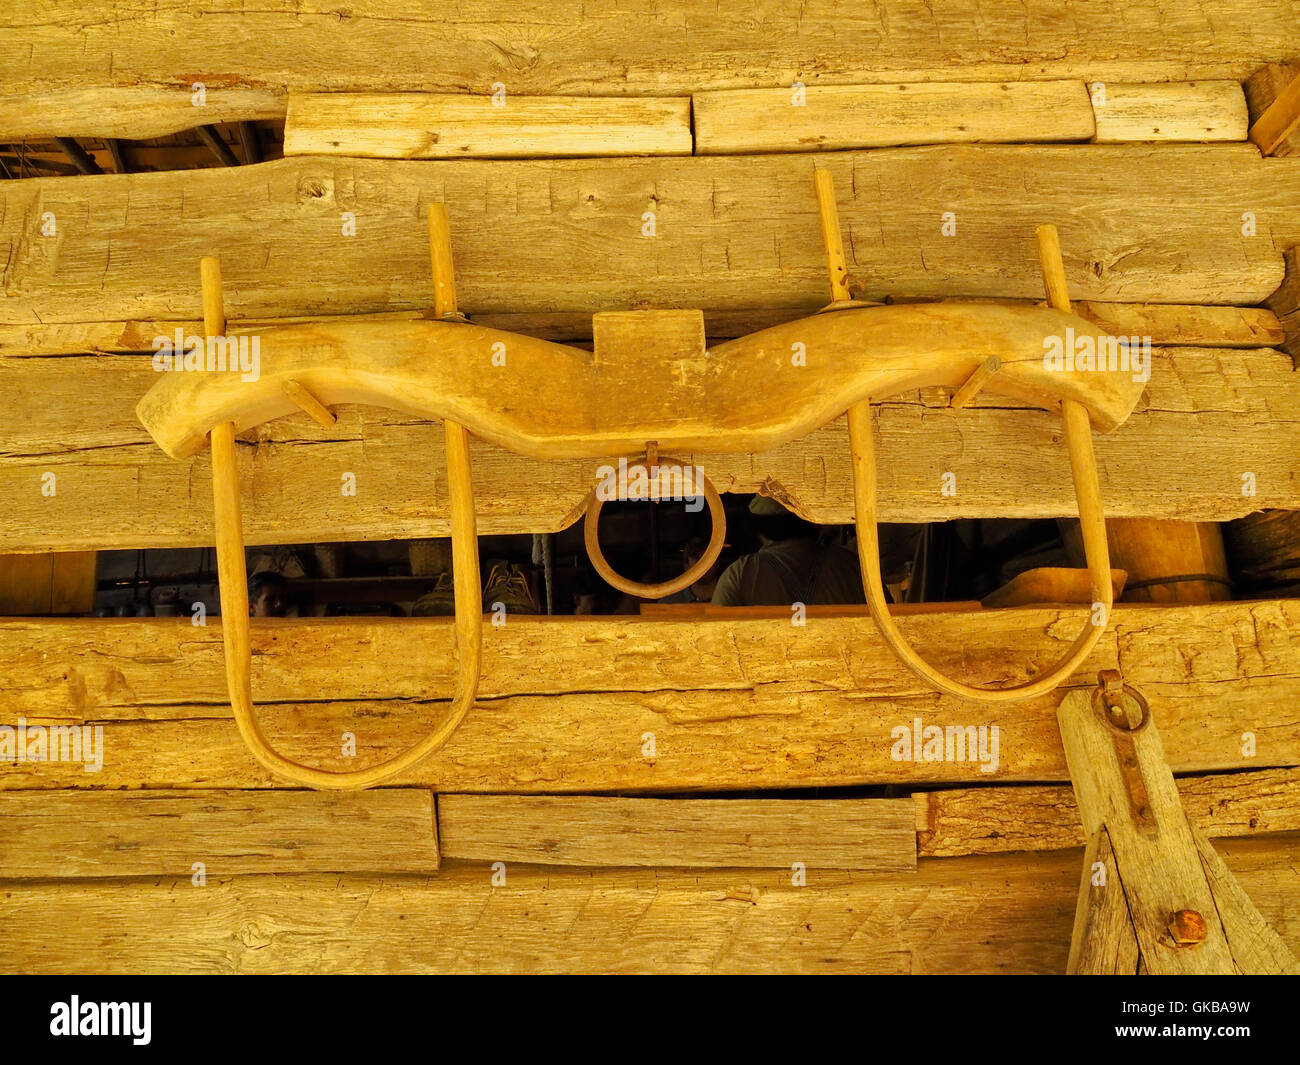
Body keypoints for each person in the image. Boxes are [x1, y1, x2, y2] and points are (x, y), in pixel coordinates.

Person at [712, 496, 865, 607]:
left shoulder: (740, 575)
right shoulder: (851, 565)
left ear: (758, 530)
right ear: (812, 521)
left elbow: (716, 635)